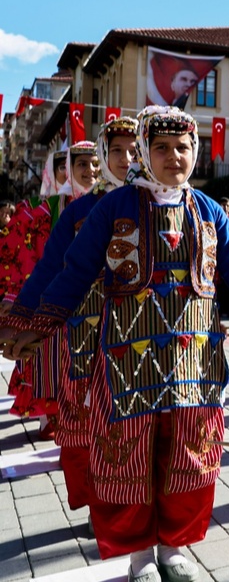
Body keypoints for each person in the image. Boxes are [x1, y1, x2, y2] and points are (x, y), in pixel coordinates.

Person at [1, 106, 229, 582]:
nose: (173, 157)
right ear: (145, 152)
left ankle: (174, 546)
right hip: (126, 362)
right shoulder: (113, 208)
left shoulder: (207, 211)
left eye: (183, 148)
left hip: (194, 362)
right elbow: (75, 271)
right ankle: (140, 553)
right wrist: (34, 326)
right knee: (129, 456)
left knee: (187, 453)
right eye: (160, 148)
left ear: (196, 153)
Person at [1, 118, 138, 512]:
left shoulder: (153, 204)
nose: (126, 160)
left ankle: (127, 514)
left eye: (134, 151)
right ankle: (95, 504)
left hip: (136, 340)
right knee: (81, 426)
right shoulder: (78, 210)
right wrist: (20, 315)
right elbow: (48, 267)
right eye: (115, 151)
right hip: (80, 333)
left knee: (131, 432)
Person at [8, 141, 99, 435]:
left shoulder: (117, 202)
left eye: (95, 163)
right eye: (81, 164)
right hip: (54, 304)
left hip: (101, 308)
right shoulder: (46, 210)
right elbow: (31, 258)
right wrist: (20, 305)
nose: (90, 170)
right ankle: (55, 418)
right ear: (66, 170)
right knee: (53, 366)